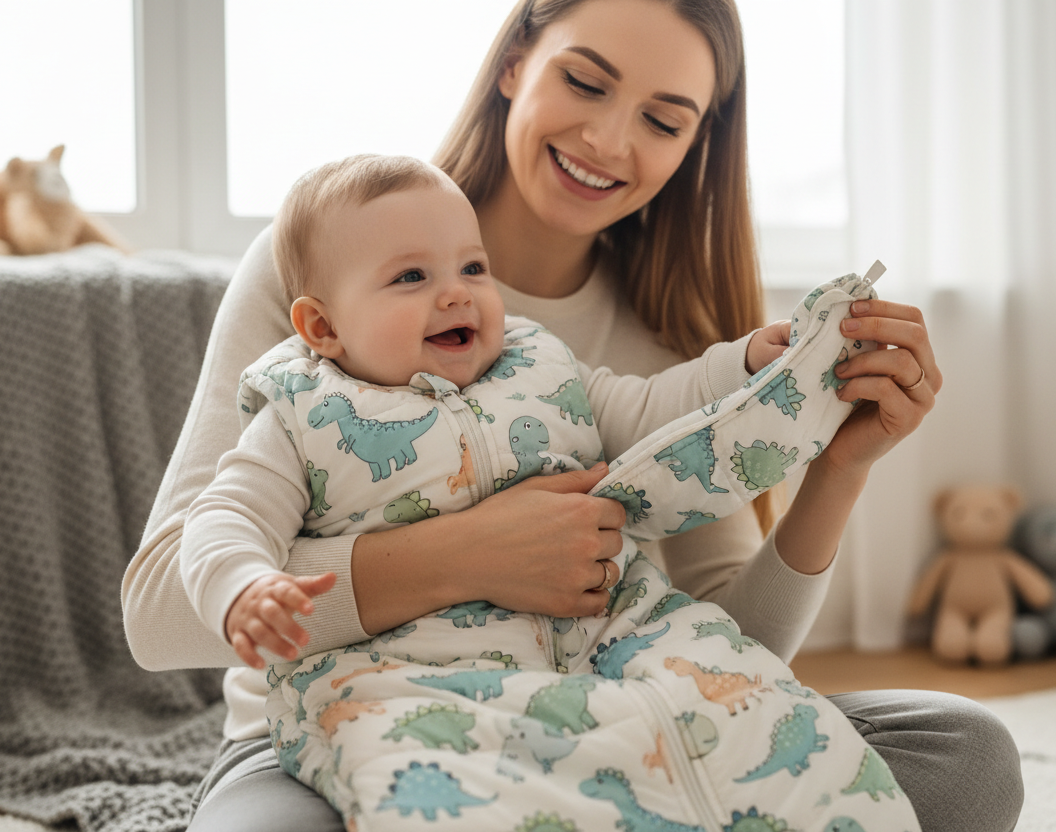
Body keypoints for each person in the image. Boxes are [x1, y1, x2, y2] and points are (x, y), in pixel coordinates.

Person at [122, 1, 1024, 831]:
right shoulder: (329, 265)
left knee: (966, 757)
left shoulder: (624, 351)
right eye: (585, 82)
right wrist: (473, 555)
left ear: (696, 143)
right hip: (347, 726)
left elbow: (729, 647)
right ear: (516, 61)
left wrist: (838, 467)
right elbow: (161, 613)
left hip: (610, 714)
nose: (607, 138)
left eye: (663, 120)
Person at [180, 152, 919, 830]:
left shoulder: (543, 368)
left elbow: (660, 409)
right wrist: (245, 586)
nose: (455, 296)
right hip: (413, 693)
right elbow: (225, 515)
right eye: (412, 278)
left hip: (606, 662)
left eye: (472, 269)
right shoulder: (300, 414)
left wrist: (747, 366)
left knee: (820, 731)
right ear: (322, 326)